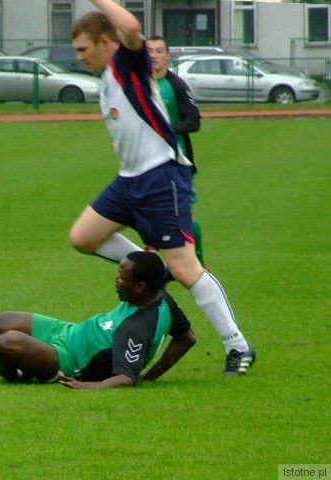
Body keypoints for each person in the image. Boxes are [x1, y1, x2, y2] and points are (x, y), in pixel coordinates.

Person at [68, 0, 255, 375]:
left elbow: (130, 26)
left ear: (105, 42)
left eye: (83, 49)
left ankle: (238, 346)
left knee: (186, 269)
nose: (79, 57)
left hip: (161, 179)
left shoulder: (126, 63)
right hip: (129, 180)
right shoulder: (107, 80)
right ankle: (155, 268)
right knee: (83, 238)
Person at [0, 251, 196, 389]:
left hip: (69, 361)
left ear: (140, 287)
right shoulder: (162, 297)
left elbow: (126, 378)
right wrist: (155, 374)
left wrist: (89, 387)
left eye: (121, 277)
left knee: (4, 344)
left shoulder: (136, 328)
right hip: (69, 331)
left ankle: (24, 373)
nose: (116, 280)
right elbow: (187, 337)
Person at [146, 35, 205, 267]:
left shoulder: (177, 85)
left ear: (168, 56)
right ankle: (152, 263)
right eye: (149, 51)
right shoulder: (139, 85)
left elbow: (194, 122)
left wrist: (166, 130)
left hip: (177, 161)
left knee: (184, 215)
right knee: (149, 212)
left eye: (159, 51)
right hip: (147, 161)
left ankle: (199, 262)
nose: (153, 55)